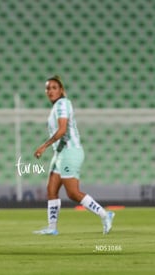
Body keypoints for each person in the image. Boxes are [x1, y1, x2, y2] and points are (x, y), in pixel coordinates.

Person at [33, 75, 115, 235]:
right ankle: (52, 227)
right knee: (51, 189)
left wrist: (43, 146)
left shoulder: (63, 104)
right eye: (48, 88)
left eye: (54, 87)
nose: (50, 91)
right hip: (60, 153)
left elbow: (62, 129)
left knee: (72, 193)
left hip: (70, 151)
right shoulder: (56, 106)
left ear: (61, 90)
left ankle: (105, 214)